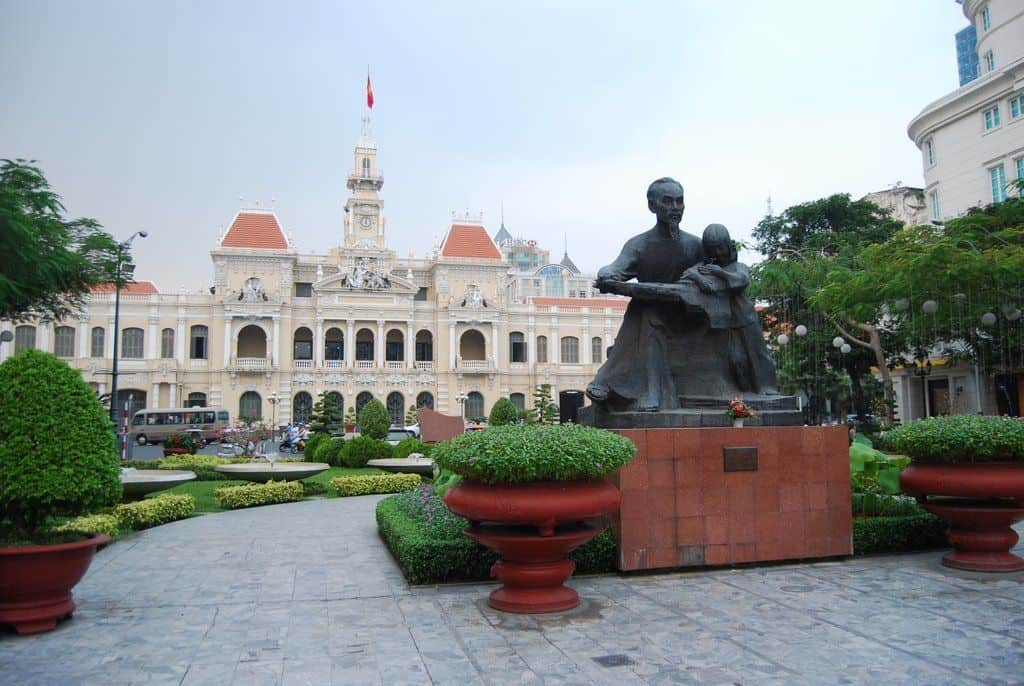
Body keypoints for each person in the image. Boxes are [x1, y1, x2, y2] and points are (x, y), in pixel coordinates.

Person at [586, 178, 704, 411]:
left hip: (689, 317)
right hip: (650, 316)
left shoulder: (695, 246)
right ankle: (642, 390)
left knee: (648, 313)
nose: (675, 208)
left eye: (680, 201)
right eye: (668, 201)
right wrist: (607, 273)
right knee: (647, 311)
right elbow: (615, 270)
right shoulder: (639, 244)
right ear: (652, 206)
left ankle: (620, 384)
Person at [677, 224, 778, 395]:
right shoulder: (706, 268)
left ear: (728, 246)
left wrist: (719, 273)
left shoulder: (738, 267)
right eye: (713, 250)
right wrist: (699, 279)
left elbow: (741, 281)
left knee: (759, 354)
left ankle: (767, 387)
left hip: (746, 319)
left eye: (721, 248)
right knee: (737, 359)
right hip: (725, 322)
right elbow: (686, 275)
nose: (718, 253)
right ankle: (745, 392)